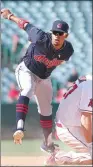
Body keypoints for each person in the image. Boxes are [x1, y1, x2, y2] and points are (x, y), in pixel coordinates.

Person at [1, 9, 74, 153]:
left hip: (44, 77)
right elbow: (25, 25)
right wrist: (10, 16)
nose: (57, 36)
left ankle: (47, 144)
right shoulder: (41, 37)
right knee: (27, 89)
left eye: (60, 33)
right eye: (54, 32)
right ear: (51, 32)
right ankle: (20, 127)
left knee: (46, 109)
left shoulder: (68, 51)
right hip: (26, 69)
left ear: (66, 35)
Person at [45, 75, 92, 165]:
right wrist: (91, 145)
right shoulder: (90, 85)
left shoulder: (88, 81)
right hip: (69, 129)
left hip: (73, 125)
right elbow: (86, 118)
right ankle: (58, 157)